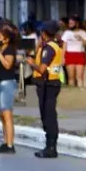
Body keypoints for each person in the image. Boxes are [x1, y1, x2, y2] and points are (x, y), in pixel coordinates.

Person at [27, 21, 64, 159]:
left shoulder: (49, 48)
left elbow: (42, 69)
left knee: (48, 115)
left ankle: (51, 147)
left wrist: (31, 64)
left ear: (44, 33)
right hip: (50, 83)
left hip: (48, 84)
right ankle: (49, 145)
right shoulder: (50, 46)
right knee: (47, 114)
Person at [0, 25, 20, 154]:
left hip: (7, 84)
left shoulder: (9, 50)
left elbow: (7, 65)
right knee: (2, 114)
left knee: (7, 114)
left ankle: (10, 145)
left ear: (6, 39)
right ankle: (5, 141)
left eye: (0, 36)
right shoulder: (1, 48)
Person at [61, 16, 86, 88]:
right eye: (69, 23)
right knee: (71, 77)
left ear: (77, 23)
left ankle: (80, 94)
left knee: (79, 77)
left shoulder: (83, 32)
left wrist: (81, 38)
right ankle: (72, 95)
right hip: (69, 54)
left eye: (72, 23)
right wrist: (62, 57)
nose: (70, 24)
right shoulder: (67, 32)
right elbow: (64, 46)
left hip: (80, 54)